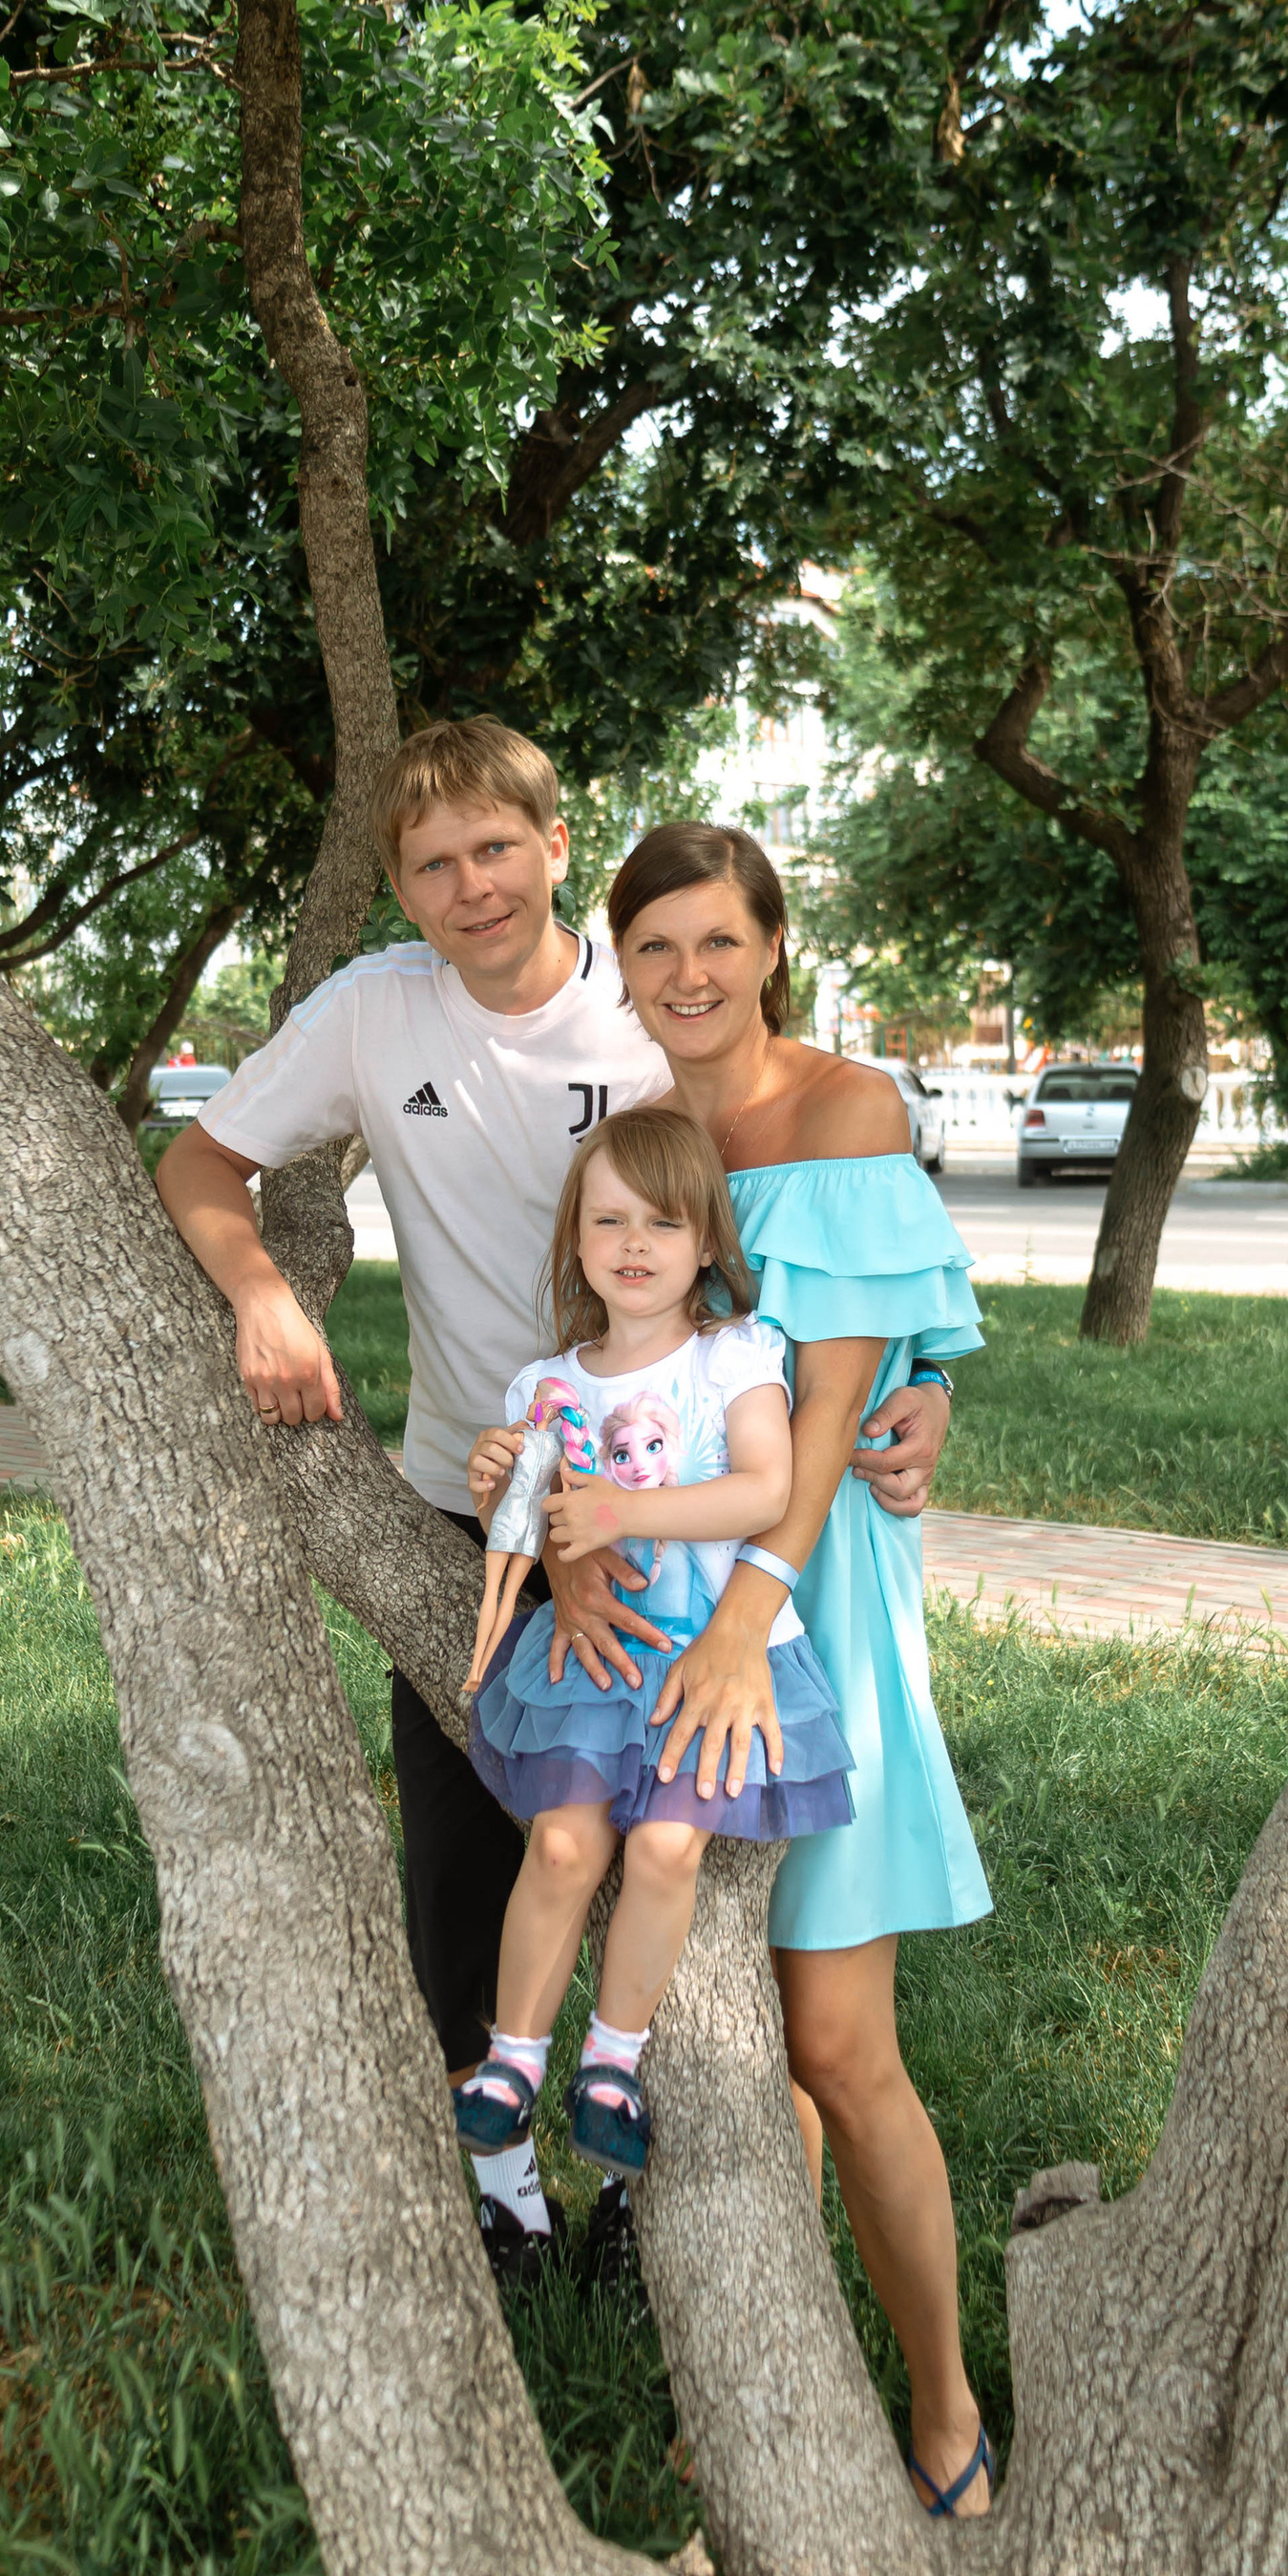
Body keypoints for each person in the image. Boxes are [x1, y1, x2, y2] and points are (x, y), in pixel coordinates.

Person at [156, 717, 954, 2287]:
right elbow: (198, 1168)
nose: (472, 886)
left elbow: (807, 1223)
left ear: (555, 845)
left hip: (688, 1522)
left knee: (666, 1865)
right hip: (479, 1509)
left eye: (496, 847)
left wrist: (926, 1380)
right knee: (469, 1874)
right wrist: (259, 1296)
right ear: (398, 884)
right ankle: (503, 2193)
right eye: (433, 863)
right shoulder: (372, 1017)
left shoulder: (656, 1022)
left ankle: (651, 2197)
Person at [546, 819, 994, 2518]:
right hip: (662, 1603)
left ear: (773, 944)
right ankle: (769, 2406)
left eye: (717, 942)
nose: (688, 978)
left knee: (835, 2037)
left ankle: (944, 2413)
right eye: (654, 948)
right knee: (719, 2032)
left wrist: (750, 1609)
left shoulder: (849, 1110)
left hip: (808, 1602)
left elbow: (842, 1395)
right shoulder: (643, 1137)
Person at [456, 1104, 854, 2180]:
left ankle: (612, 2062)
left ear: (707, 1246)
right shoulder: (546, 1386)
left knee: (670, 1847)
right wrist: (502, 1478)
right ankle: (511, 2062)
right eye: (611, 1221)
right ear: (576, 1241)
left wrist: (624, 1514)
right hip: (599, 1663)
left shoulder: (733, 1355)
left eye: (664, 1224)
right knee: (564, 1845)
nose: (635, 1247)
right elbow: (539, 1524)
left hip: (710, 1654)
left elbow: (766, 1487)